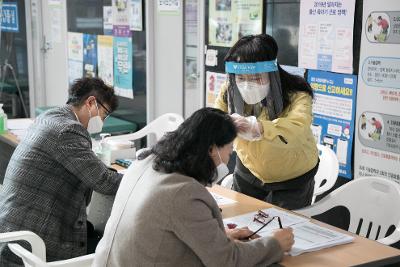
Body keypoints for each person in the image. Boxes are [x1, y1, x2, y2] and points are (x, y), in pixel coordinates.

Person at [93, 107, 294, 267]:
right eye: (229, 148)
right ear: (211, 149)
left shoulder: (144, 164)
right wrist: (275, 244)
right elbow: (227, 261)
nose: (229, 156)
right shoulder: (184, 194)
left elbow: (161, 232)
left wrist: (219, 238)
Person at [0, 77, 123, 266]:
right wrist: (138, 177)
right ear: (91, 102)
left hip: (14, 226)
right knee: (109, 249)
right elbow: (104, 182)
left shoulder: (51, 117)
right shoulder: (68, 130)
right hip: (34, 236)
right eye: (104, 115)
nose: (102, 123)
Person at [215, 34, 319, 210]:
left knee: (285, 228)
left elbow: (297, 129)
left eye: (256, 78)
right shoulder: (229, 91)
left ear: (271, 72)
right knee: (241, 218)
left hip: (292, 176)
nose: (247, 85)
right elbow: (214, 119)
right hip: (248, 169)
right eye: (241, 78)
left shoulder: (297, 95)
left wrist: (259, 128)